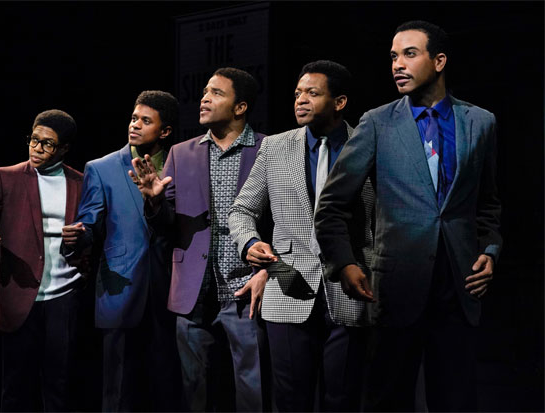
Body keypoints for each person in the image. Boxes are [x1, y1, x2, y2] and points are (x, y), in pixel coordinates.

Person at [314, 21, 503, 411]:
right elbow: (332, 204)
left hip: (460, 285)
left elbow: (487, 203)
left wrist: (491, 248)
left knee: (455, 399)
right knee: (388, 398)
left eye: (409, 54)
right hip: (397, 284)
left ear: (439, 61)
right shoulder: (377, 122)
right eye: (393, 57)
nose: (397, 64)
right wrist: (344, 263)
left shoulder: (480, 122)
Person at [228, 60, 374, 412]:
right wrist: (250, 241)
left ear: (339, 102)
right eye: (297, 93)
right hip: (287, 285)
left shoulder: (368, 145)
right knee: (291, 399)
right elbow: (242, 210)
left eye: (312, 93)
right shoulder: (276, 147)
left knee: (343, 400)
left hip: (352, 288)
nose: (301, 100)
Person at [131, 67, 267, 412]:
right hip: (193, 291)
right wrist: (154, 200)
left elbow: (284, 219)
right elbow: (165, 226)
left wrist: (268, 270)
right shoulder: (182, 152)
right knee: (194, 390)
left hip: (246, 289)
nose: (205, 98)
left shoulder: (270, 149)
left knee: (253, 389)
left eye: (217, 93)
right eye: (205, 91)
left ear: (240, 107)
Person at [61, 91, 181, 412]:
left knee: (167, 386)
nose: (135, 125)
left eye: (145, 120)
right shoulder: (101, 168)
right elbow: (90, 223)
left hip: (170, 290)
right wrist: (77, 236)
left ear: (165, 131)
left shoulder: (181, 164)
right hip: (121, 289)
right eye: (133, 118)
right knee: (119, 390)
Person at [0, 109, 84, 411]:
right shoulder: (5, 177)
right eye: (34, 140)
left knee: (59, 385)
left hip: (64, 295)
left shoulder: (80, 181)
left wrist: (84, 238)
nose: (37, 148)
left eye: (48, 144)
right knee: (16, 387)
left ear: (64, 149)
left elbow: (95, 229)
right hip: (19, 295)